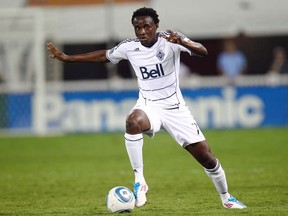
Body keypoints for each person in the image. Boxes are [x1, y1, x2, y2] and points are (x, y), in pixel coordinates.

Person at [47, 7, 247, 209]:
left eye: (146, 26)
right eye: (137, 27)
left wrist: (183, 41)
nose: (142, 31)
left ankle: (226, 197)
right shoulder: (129, 47)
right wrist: (68, 58)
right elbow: (105, 55)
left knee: (207, 158)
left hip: (175, 109)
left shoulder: (171, 40)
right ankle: (139, 180)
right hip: (148, 105)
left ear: (156, 26)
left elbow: (202, 51)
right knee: (132, 121)